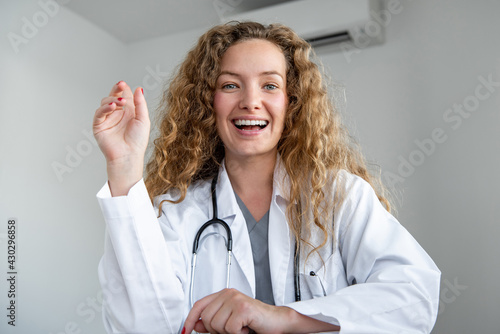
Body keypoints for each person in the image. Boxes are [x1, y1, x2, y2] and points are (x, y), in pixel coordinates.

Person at [93, 21, 441, 334]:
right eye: (230, 85)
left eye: (270, 85)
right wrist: (124, 167)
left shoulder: (340, 195)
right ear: (207, 103)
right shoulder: (177, 211)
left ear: (292, 103)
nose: (250, 101)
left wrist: (284, 318)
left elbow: (414, 296)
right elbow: (142, 326)